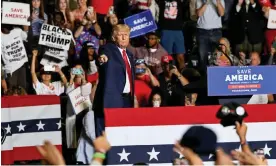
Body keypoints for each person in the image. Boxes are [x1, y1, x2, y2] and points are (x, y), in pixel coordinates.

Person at [94, 24, 135, 136]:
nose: (123, 37)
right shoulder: (109, 49)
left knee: (123, 138)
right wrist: (102, 59)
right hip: (110, 102)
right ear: (113, 38)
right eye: (120, 35)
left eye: (126, 35)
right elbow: (103, 55)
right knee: (106, 139)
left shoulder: (130, 55)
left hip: (126, 101)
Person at [196, 0, 225, 69]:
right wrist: (206, 2)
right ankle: (205, 77)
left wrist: (218, 2)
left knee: (217, 56)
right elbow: (199, 14)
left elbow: (222, 13)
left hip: (216, 31)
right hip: (202, 31)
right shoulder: (199, 1)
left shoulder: (221, 0)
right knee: (203, 57)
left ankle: (216, 76)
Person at [158, 0, 186, 70]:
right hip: (166, 29)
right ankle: (168, 79)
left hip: (178, 29)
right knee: (167, 57)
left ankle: (182, 77)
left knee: (181, 56)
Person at [1, 24, 29, 90]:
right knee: (11, 91)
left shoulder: (17, 30)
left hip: (22, 65)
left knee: (22, 90)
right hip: (10, 69)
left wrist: (25, 22)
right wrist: (2, 77)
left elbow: (26, 36)